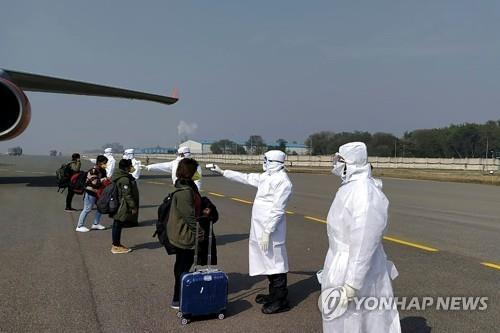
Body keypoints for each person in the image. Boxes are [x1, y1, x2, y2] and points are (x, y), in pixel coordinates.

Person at [318, 142, 401, 332]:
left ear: (351, 163)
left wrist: (352, 284)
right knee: (340, 320)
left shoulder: (365, 193)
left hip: (358, 270)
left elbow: (365, 241)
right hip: (341, 263)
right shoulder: (349, 187)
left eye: (340, 160)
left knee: (361, 320)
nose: (336, 164)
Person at [209, 150, 293, 314]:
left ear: (275, 162)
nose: (264, 162)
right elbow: (246, 177)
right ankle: (273, 294)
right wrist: (222, 171)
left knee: (276, 263)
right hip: (260, 229)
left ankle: (281, 299)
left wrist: (268, 231)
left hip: (271, 231)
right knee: (266, 261)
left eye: (266, 160)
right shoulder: (266, 177)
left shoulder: (283, 182)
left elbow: (278, 210)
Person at [167, 158, 205, 310]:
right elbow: (188, 216)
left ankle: (180, 294)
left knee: (181, 265)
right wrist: (200, 232)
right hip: (184, 234)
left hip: (181, 231)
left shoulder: (186, 186)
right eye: (195, 170)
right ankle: (177, 298)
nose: (198, 173)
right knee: (183, 266)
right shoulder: (184, 192)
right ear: (189, 172)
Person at [110, 159, 139, 254]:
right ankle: (116, 246)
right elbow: (127, 195)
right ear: (126, 167)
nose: (132, 168)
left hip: (117, 203)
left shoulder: (118, 175)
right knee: (117, 224)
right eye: (130, 166)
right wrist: (133, 206)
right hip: (122, 204)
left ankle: (116, 244)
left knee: (117, 224)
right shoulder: (124, 179)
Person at [75, 155, 109, 232]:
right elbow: (94, 182)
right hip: (90, 192)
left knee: (100, 208)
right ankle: (79, 226)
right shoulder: (93, 171)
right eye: (104, 163)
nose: (106, 164)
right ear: (99, 163)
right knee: (87, 209)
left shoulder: (103, 171)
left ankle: (96, 224)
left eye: (106, 163)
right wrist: (103, 180)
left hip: (99, 193)